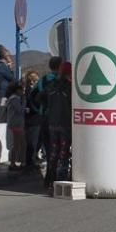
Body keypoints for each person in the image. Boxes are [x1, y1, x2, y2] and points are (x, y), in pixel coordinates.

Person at [44, 61, 73, 189]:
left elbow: (38, 98)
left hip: (52, 123)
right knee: (64, 152)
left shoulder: (50, 85)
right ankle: (61, 179)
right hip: (66, 123)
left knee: (53, 151)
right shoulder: (70, 87)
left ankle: (50, 179)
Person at [0, 45, 15, 123]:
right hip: (2, 96)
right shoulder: (1, 67)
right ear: (5, 56)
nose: (10, 57)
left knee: (3, 118)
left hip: (3, 95)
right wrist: (11, 69)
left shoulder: (0, 66)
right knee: (1, 118)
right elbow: (12, 78)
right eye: (9, 55)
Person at [5, 82, 26, 170]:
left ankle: (19, 162)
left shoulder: (13, 98)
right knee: (18, 144)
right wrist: (24, 103)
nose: (23, 92)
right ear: (17, 90)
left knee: (20, 143)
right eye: (22, 90)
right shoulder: (14, 99)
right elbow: (19, 110)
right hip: (16, 124)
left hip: (16, 123)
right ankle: (13, 163)